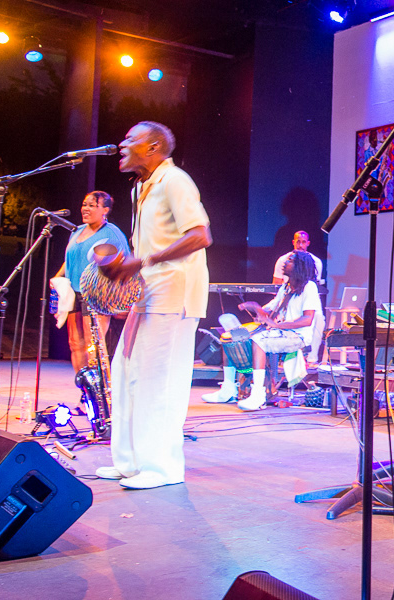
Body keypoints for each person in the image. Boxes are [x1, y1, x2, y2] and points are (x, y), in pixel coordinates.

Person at [95, 121, 211, 490]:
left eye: (131, 139)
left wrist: (143, 261)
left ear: (153, 146)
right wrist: (125, 271)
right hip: (149, 292)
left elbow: (200, 235)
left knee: (158, 380)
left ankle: (162, 468)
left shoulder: (174, 180)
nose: (122, 144)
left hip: (174, 292)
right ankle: (130, 462)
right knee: (126, 370)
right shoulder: (141, 187)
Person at [204, 250, 323, 411]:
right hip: (281, 332)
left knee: (258, 340)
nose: (285, 262)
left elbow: (307, 320)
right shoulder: (286, 287)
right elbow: (270, 311)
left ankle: (258, 394)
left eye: (290, 260)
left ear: (299, 266)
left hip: (298, 336)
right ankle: (228, 388)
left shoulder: (309, 287)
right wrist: (255, 307)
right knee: (231, 337)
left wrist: (276, 325)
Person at [50, 191, 130, 375]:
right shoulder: (77, 231)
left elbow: (124, 262)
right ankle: (84, 388)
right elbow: (70, 258)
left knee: (93, 344)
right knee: (74, 343)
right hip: (74, 292)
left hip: (96, 293)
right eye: (84, 204)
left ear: (105, 210)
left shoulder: (111, 233)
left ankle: (100, 389)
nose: (85, 209)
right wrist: (57, 276)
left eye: (92, 205)